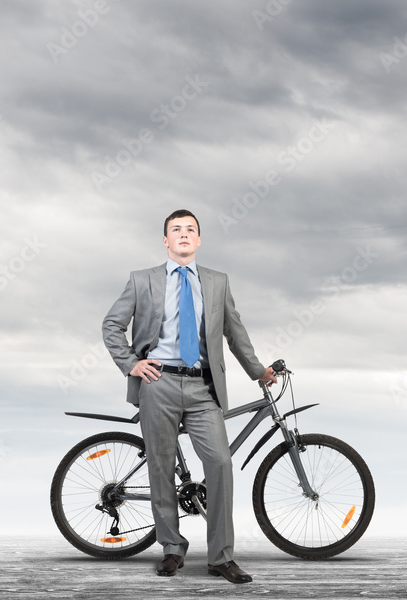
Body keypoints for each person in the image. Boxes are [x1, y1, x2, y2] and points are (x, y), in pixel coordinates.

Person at [102, 209, 276, 584]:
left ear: (198, 240)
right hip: (158, 384)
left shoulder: (217, 282)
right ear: (166, 241)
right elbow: (112, 325)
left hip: (202, 387)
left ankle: (221, 557)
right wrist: (131, 364)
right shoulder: (141, 280)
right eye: (176, 230)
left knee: (221, 464)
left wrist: (258, 370)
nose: (183, 234)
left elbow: (235, 332)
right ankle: (171, 549)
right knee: (160, 468)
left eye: (190, 230)